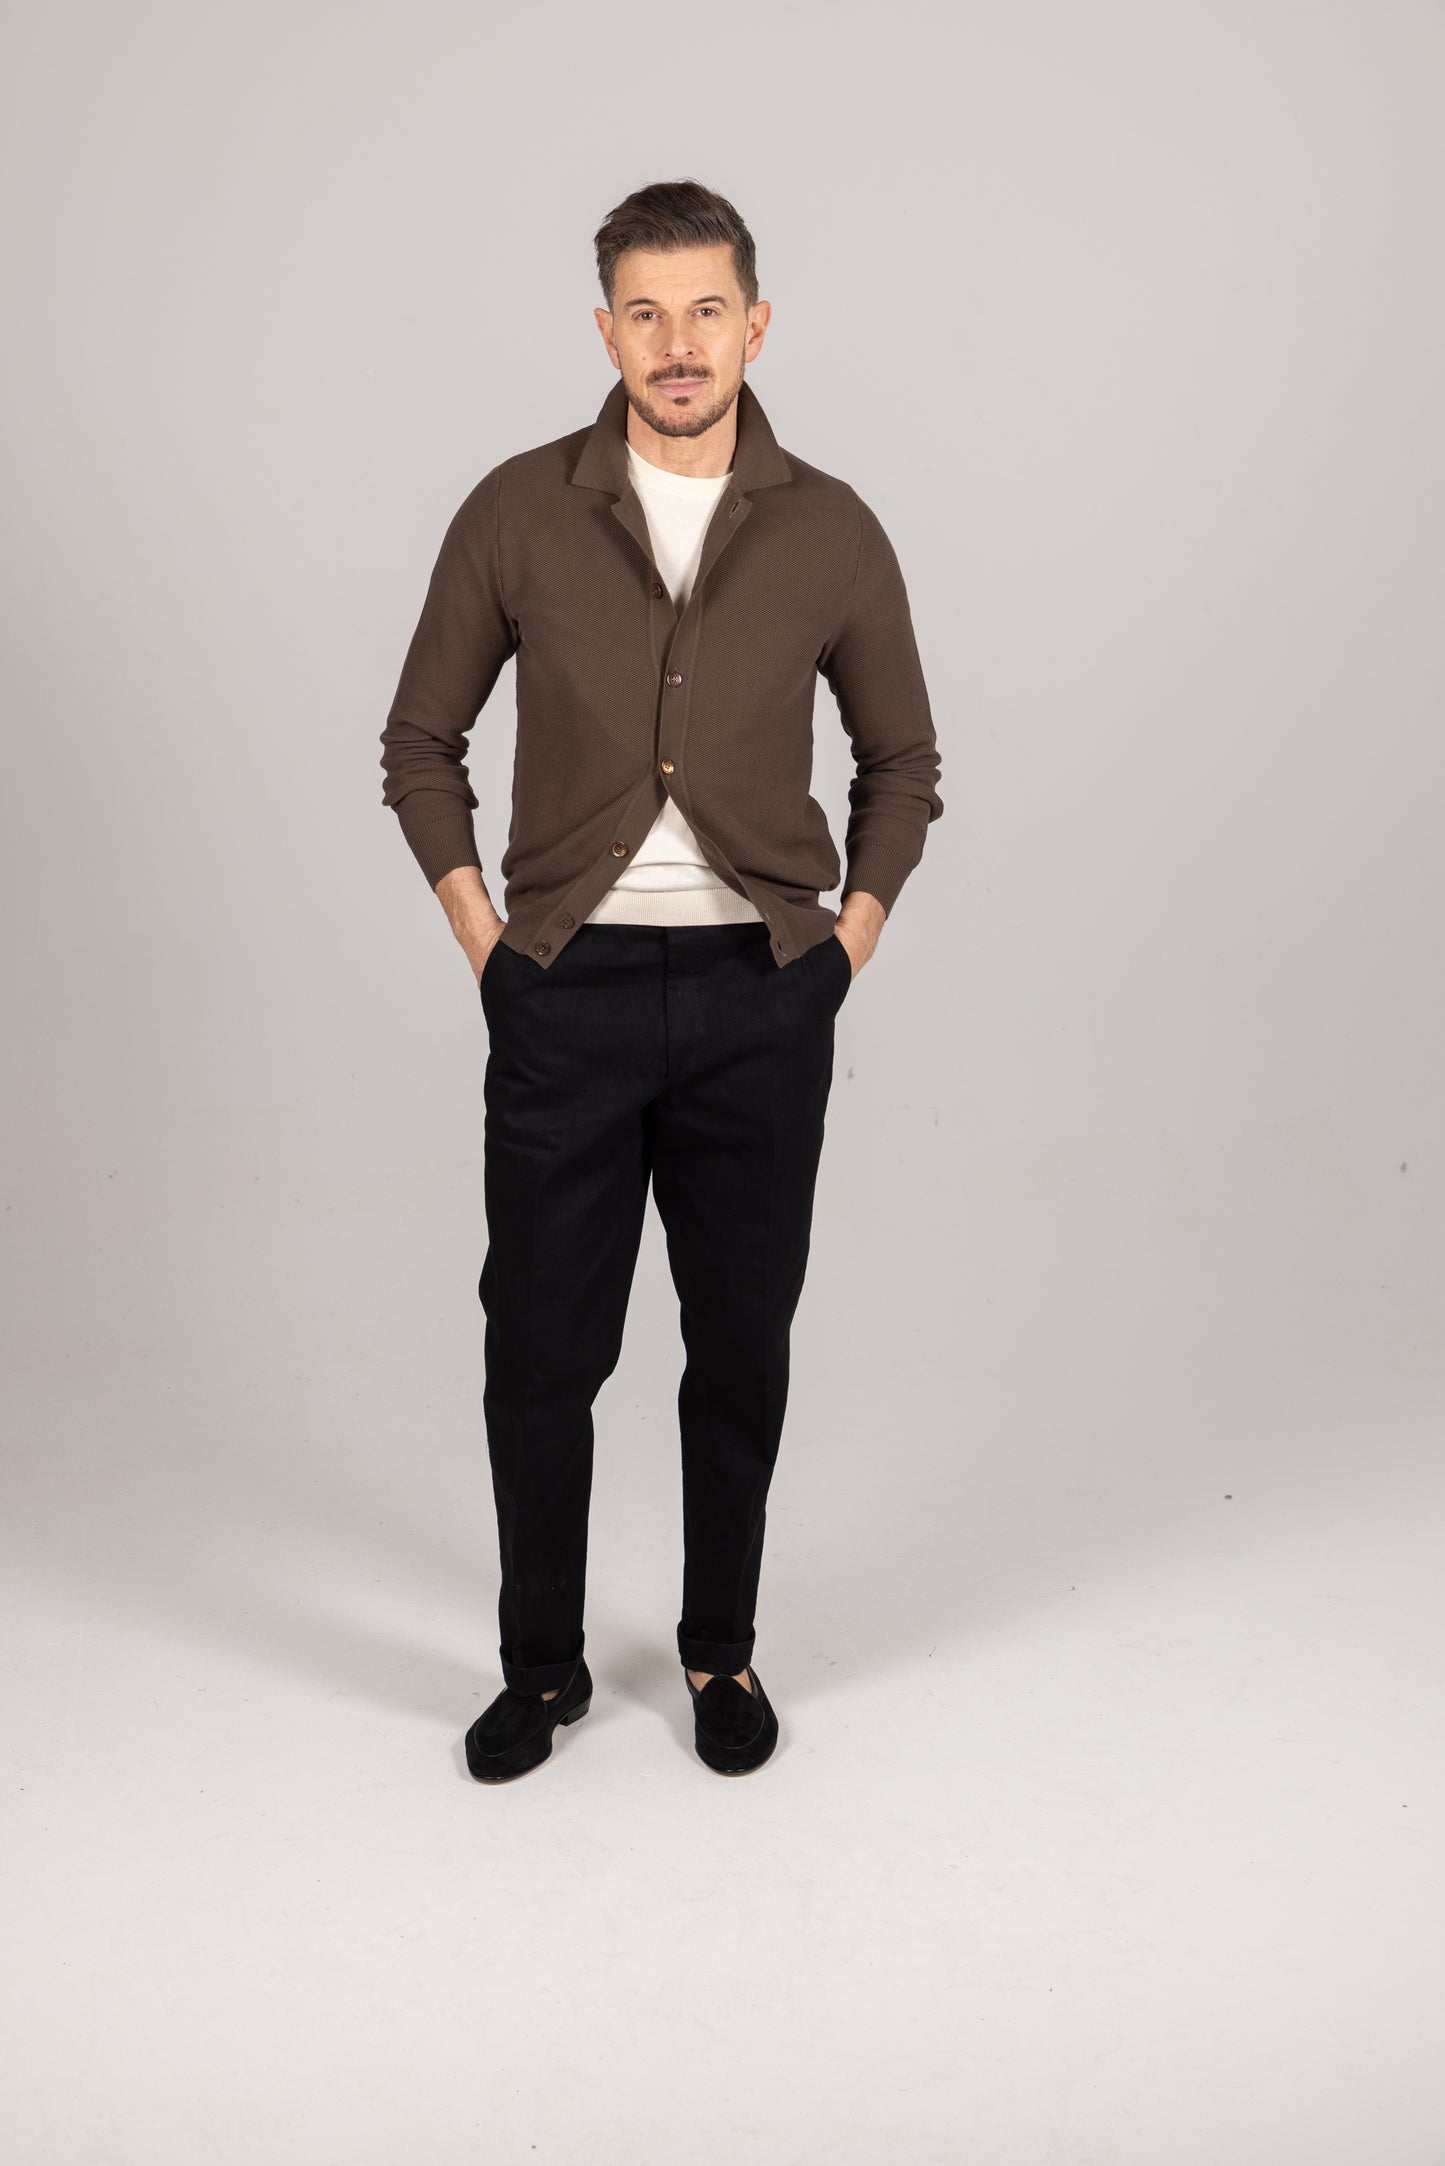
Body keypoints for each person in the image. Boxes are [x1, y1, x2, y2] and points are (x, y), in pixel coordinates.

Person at [379, 178, 943, 1783]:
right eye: (645, 311)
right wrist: (488, 943)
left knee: (740, 1343)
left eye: (705, 310)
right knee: (539, 1350)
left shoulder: (830, 527)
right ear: (605, 328)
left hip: (763, 993)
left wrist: (843, 946)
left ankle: (719, 1650)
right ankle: (541, 1667)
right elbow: (420, 741)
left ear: (755, 325)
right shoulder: (516, 510)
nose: (677, 342)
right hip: (565, 988)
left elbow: (901, 764)